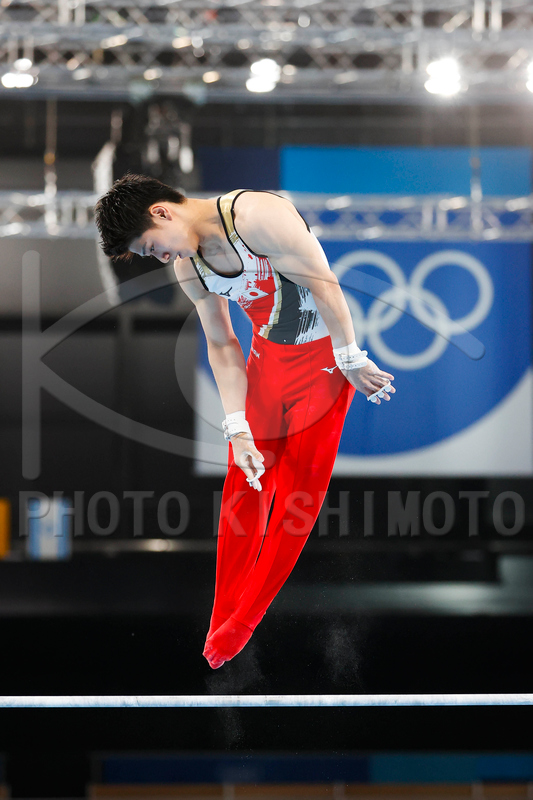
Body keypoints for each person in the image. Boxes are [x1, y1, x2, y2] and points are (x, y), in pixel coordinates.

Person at [95, 174, 396, 669]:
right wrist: (237, 427)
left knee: (296, 496)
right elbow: (221, 344)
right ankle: (222, 614)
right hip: (267, 362)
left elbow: (323, 282)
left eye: (152, 247)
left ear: (162, 212)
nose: (161, 258)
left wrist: (349, 356)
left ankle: (245, 620)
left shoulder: (257, 217)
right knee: (245, 483)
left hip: (324, 365)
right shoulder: (190, 269)